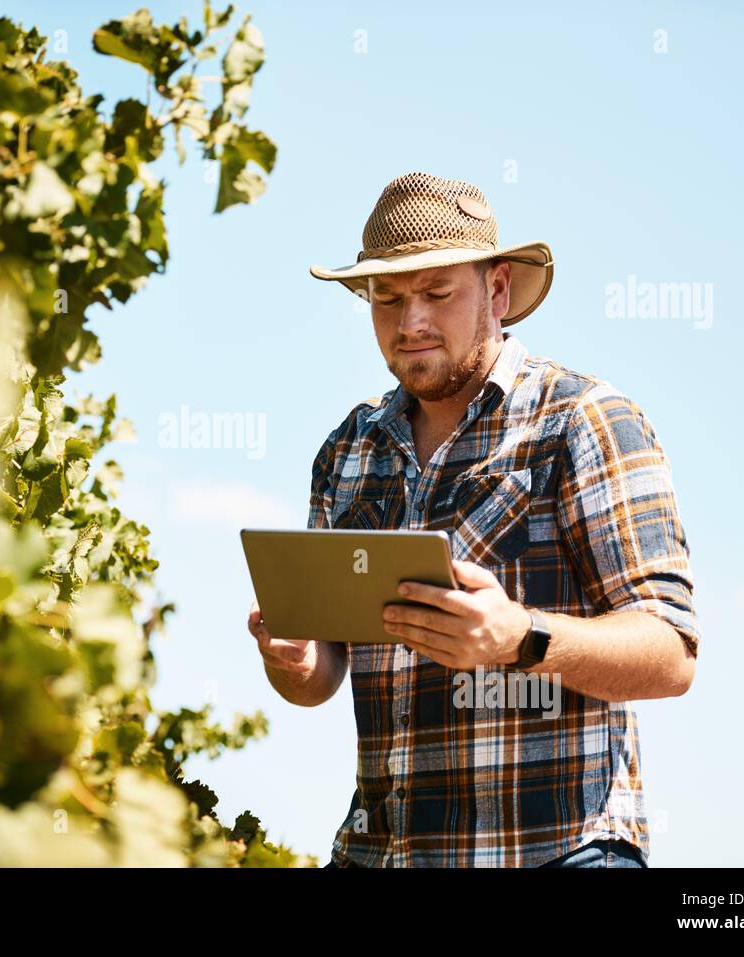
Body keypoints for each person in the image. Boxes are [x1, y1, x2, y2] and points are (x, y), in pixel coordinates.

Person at [248, 173, 700, 868]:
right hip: (380, 853)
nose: (410, 323)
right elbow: (320, 674)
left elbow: (670, 654)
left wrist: (522, 636)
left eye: (435, 293)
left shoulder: (584, 421)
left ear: (496, 291)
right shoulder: (348, 449)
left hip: (557, 852)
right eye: (388, 298)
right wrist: (294, 656)